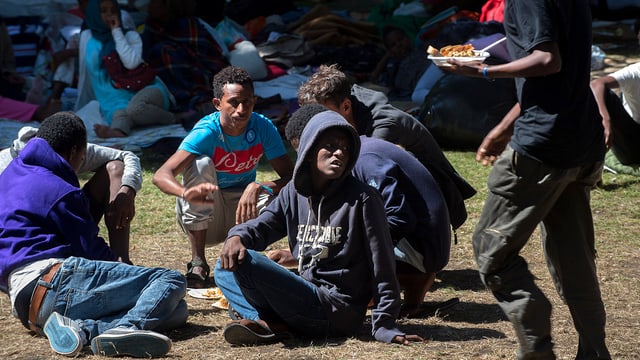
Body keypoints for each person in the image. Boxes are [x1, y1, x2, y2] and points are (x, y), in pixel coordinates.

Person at [436, 0, 611, 358]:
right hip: (580, 140)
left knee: (491, 252)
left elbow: (548, 61)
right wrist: (503, 126)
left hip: (543, 148)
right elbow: (563, 74)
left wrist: (482, 73)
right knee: (574, 258)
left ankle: (537, 348)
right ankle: (594, 353)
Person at [214, 110, 424, 346]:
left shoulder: (363, 199)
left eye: (345, 148)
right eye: (330, 146)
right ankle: (274, 323)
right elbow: (262, 227)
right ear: (310, 150)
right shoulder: (293, 193)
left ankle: (265, 320)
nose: (339, 153)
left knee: (247, 261)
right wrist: (236, 235)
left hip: (336, 309)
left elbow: (382, 263)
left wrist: (385, 324)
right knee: (225, 264)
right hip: (306, 294)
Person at [0, 112, 188, 358]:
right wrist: (125, 269)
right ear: (74, 152)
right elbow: (90, 249)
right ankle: (124, 328)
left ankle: (80, 330)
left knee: (176, 310)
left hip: (27, 307)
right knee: (170, 281)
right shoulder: (58, 190)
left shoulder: (11, 173)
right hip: (54, 282)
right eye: (82, 157)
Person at [279, 103, 458, 318]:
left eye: (306, 151)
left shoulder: (364, 159)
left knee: (346, 249)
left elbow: (400, 218)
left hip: (422, 249)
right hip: (421, 247)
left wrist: (326, 250)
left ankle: (397, 285)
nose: (306, 162)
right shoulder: (355, 152)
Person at [152, 66, 294, 288]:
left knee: (288, 196)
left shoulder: (263, 126)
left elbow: (292, 177)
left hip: (243, 212)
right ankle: (198, 262)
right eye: (234, 102)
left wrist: (259, 186)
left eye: (247, 101)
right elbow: (161, 175)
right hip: (209, 210)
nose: (241, 109)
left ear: (254, 101)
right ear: (218, 104)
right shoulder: (207, 132)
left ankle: (248, 259)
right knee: (200, 163)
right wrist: (185, 192)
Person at [297, 63, 476, 233]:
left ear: (346, 106)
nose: (315, 122)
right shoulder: (347, 113)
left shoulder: (383, 126)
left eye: (321, 114)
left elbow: (366, 175)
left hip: (428, 212)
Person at [0, 125, 142, 264]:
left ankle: (121, 260)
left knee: (116, 167)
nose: (82, 160)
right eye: (82, 157)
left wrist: (128, 188)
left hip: (65, 219)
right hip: (25, 244)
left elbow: (126, 156)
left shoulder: (64, 146)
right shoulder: (8, 166)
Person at [75, 0, 187, 138]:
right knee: (119, 114)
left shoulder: (130, 36)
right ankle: (117, 132)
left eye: (113, 11)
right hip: (115, 97)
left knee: (135, 109)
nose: (109, 15)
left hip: (146, 88)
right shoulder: (87, 38)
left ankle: (173, 118)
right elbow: (86, 74)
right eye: (103, 11)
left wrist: (116, 32)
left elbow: (131, 63)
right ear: (94, 14)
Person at [590, 62, 640, 165]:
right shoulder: (635, 72)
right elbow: (596, 84)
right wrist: (605, 119)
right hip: (633, 141)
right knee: (606, 96)